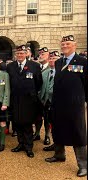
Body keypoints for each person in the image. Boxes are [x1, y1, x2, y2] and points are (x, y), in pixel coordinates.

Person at [45, 35, 87, 177]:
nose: (64, 46)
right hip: (58, 104)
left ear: (74, 45)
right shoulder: (59, 62)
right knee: (57, 130)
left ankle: (83, 165)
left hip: (74, 105)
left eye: (68, 43)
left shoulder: (82, 62)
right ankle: (59, 155)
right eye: (63, 44)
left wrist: (83, 101)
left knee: (78, 133)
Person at [7, 45, 42, 158]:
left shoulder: (35, 66)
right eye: (18, 54)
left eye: (22, 53)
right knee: (17, 123)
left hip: (29, 101)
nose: (20, 55)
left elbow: (38, 83)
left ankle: (28, 147)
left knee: (27, 124)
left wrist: (31, 93)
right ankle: (20, 144)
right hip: (15, 100)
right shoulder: (11, 66)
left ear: (26, 54)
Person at [34, 47, 51, 145]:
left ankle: (47, 135)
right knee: (37, 117)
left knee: (47, 118)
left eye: (43, 54)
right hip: (37, 97)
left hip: (47, 98)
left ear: (48, 56)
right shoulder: (36, 67)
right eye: (40, 54)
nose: (40, 56)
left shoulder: (51, 68)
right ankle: (37, 133)